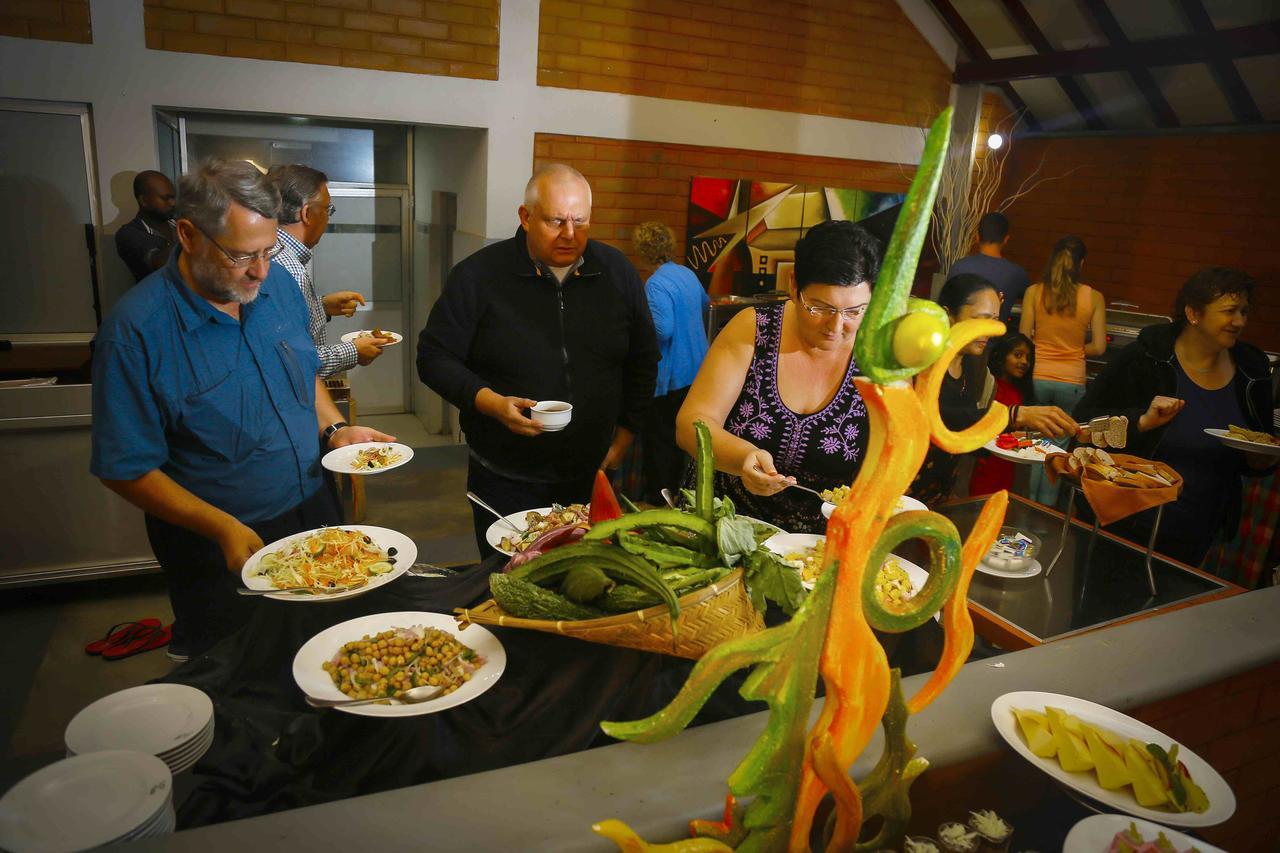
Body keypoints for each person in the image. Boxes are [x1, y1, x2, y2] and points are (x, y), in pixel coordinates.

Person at [90, 158, 393, 661]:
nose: (260, 270)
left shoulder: (274, 288)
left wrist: (334, 428)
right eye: (240, 255)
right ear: (187, 234)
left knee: (327, 647)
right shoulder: (135, 334)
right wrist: (220, 527)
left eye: (269, 251)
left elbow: (300, 367)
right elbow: (125, 468)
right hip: (222, 539)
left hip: (312, 507)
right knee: (238, 670)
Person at [417, 164, 659, 554]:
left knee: (584, 581)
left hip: (589, 472)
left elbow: (644, 359)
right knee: (508, 581)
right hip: (505, 476)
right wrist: (491, 403)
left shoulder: (615, 273)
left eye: (580, 222)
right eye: (555, 221)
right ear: (525, 217)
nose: (569, 234)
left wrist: (626, 435)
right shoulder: (479, 276)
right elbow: (433, 358)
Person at [675, 220, 878, 534]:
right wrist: (742, 457)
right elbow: (691, 424)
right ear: (795, 286)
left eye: (854, 311)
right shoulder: (755, 329)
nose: (836, 327)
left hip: (816, 545)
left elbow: (891, 457)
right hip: (725, 526)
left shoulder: (878, 358)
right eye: (819, 308)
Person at [1075, 267, 1274, 569]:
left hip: (1197, 533)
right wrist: (1140, 421)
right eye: (1230, 311)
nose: (1240, 322)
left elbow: (1258, 446)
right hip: (1122, 524)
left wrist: (1261, 460)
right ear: (1194, 313)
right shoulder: (1146, 359)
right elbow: (1084, 428)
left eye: (1244, 312)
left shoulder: (1251, 371)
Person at [909, 274, 1077, 507]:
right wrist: (1011, 414)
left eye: (995, 320)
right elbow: (929, 416)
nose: (990, 331)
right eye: (981, 319)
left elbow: (963, 431)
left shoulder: (972, 362)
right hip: (903, 492)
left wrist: (1008, 435)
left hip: (939, 494)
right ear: (948, 316)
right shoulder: (920, 359)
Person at [267, 164, 387, 377]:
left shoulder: (272, 252)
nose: (328, 219)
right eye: (327, 210)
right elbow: (295, 362)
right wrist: (354, 351)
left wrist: (321, 307)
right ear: (306, 213)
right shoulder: (290, 270)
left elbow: (285, 332)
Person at [1019, 236, 1106, 504]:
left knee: (1036, 443)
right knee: (1059, 448)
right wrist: (1074, 352)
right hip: (1072, 380)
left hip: (1038, 377)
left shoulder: (1034, 292)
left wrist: (1044, 349)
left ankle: (1027, 504)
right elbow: (1100, 347)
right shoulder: (1094, 297)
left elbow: (1023, 338)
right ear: (1082, 263)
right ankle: (1045, 508)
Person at [633, 221, 709, 505]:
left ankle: (657, 499)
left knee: (660, 441)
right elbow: (704, 303)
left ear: (643, 250)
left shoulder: (655, 284)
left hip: (671, 375)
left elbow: (662, 329)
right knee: (681, 441)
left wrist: (637, 328)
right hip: (697, 371)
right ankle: (678, 495)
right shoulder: (686, 273)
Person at [969, 332, 1036, 496]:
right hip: (986, 461)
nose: (1024, 362)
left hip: (1008, 463)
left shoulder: (1019, 391)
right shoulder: (990, 386)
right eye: (1018, 355)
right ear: (1002, 356)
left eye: (1028, 358)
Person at [948, 211, 1030, 325]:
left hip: (961, 338)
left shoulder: (959, 267)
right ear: (1006, 239)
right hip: (995, 340)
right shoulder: (1017, 274)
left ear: (977, 236)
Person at [115, 170, 177, 283]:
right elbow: (160, 264)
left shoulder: (179, 224)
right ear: (144, 201)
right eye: (165, 198)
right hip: (159, 299)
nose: (173, 203)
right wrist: (187, 234)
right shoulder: (129, 234)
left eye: (173, 197)